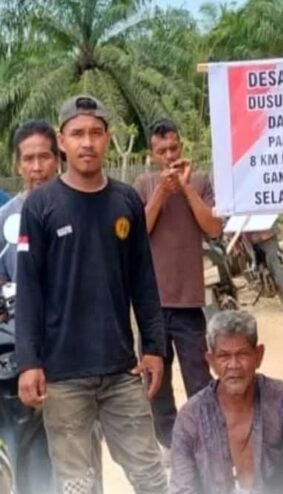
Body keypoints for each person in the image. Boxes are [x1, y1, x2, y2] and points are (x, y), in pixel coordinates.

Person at [15, 94, 167, 493]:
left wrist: (153, 347)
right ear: (62, 142)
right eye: (77, 133)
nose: (87, 142)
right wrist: (29, 361)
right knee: (78, 485)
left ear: (108, 139)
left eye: (96, 133)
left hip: (121, 371)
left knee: (151, 476)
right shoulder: (41, 206)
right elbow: (28, 288)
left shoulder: (126, 201)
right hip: (62, 376)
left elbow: (144, 281)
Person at [170, 310, 283, 494]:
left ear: (258, 355)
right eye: (224, 356)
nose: (234, 365)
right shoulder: (191, 417)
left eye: (243, 354)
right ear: (211, 361)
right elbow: (181, 488)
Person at [133, 118, 221, 451]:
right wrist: (161, 191)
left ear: (181, 147)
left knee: (200, 380)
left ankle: (206, 444)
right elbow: (137, 232)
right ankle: (169, 447)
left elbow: (213, 227)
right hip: (152, 305)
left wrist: (184, 188)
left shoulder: (199, 180)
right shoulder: (142, 184)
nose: (169, 156)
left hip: (188, 302)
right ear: (151, 155)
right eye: (162, 151)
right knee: (157, 383)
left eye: (174, 148)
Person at [0, 120, 60, 494]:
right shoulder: (5, 220)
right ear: (17, 164)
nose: (36, 167)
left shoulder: (84, 208)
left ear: (58, 159)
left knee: (72, 461)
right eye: (28, 159)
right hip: (14, 366)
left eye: (44, 157)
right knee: (22, 458)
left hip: (76, 365)